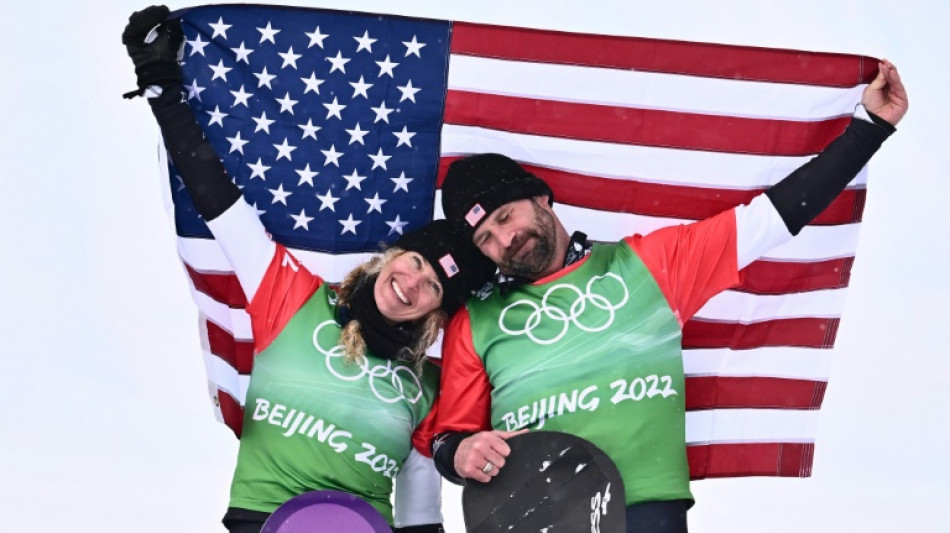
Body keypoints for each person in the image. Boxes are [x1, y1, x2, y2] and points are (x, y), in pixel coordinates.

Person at [429, 56, 908, 532]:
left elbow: (771, 218)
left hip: (644, 510)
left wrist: (868, 129)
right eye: (485, 238)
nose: (503, 240)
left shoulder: (648, 266)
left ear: (540, 199)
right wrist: (461, 453)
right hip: (530, 517)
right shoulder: (477, 320)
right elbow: (448, 436)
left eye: (505, 217)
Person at [122, 6, 496, 533]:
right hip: (262, 521)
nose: (412, 283)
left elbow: (419, 512)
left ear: (437, 310)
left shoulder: (425, 386)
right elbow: (220, 203)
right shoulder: (292, 296)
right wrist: (161, 85)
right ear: (391, 257)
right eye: (415, 262)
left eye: (433, 285)